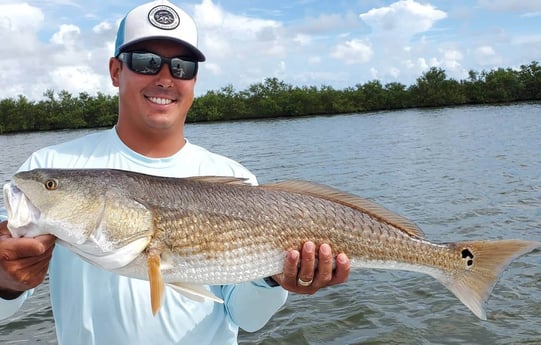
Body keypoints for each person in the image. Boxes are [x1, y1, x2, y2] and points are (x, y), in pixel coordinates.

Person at [0, 1, 351, 344]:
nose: (165, 78)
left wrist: (274, 279)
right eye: (146, 62)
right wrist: (6, 281)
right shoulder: (48, 167)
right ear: (116, 71)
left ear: (194, 80)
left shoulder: (234, 178)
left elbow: (247, 318)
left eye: (182, 66)